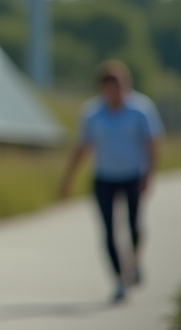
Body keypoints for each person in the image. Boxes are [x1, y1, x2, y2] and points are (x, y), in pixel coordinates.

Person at [59, 60, 163, 303]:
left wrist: (149, 175)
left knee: (133, 225)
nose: (117, 89)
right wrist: (68, 179)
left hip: (132, 174)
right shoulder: (93, 113)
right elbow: (82, 148)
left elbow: (151, 144)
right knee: (108, 230)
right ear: (102, 87)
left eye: (121, 83)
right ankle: (119, 279)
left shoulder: (141, 109)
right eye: (111, 84)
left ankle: (134, 260)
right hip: (104, 177)